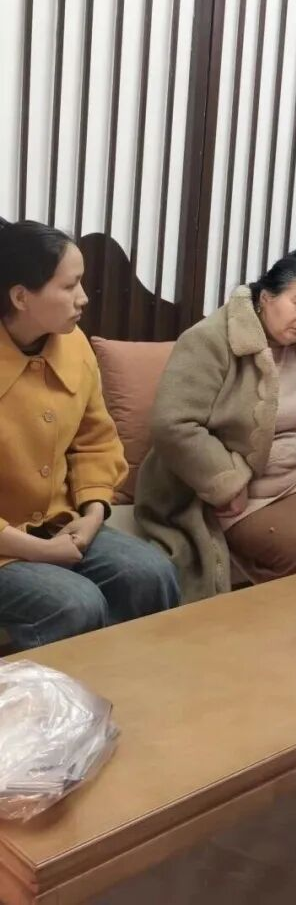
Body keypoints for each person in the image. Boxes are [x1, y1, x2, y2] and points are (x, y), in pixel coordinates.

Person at [136, 250, 296, 604]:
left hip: (295, 481)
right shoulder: (211, 339)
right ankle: (273, 624)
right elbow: (174, 422)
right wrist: (228, 483)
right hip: (227, 495)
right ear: (266, 298)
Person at [0, 219, 179, 649]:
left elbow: (95, 439)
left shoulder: (73, 344)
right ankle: (52, 694)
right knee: (76, 604)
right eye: (69, 286)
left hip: (58, 521)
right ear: (21, 297)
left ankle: (142, 682)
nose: (83, 297)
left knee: (152, 573)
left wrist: (93, 513)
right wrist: (41, 552)